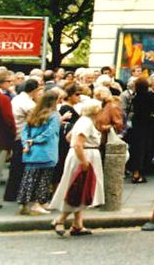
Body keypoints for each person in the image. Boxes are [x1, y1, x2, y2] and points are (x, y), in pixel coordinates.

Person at [49, 98, 105, 236]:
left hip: (82, 154)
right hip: (85, 155)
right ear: (95, 111)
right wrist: (84, 161)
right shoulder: (86, 123)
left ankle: (77, 224)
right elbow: (77, 144)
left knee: (82, 190)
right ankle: (60, 220)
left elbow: (69, 137)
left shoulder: (83, 121)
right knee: (78, 189)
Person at [18, 89, 61, 216]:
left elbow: (24, 132)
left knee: (29, 179)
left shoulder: (33, 114)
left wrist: (27, 143)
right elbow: (49, 133)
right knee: (43, 179)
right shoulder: (54, 116)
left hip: (31, 153)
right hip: (47, 151)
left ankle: (25, 205)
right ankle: (37, 203)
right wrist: (36, 140)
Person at [5, 76, 42, 202]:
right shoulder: (29, 103)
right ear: (34, 90)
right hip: (22, 136)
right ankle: (16, 193)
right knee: (20, 167)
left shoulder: (16, 98)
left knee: (15, 166)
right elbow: (37, 119)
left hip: (16, 135)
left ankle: (10, 193)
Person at [0, 70, 16, 210]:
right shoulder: (2, 99)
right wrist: (12, 138)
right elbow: (9, 121)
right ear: (1, 83)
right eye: (9, 81)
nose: (11, 84)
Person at [127, 77, 154, 183]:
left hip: (137, 124)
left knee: (136, 149)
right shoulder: (151, 96)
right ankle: (140, 173)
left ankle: (135, 172)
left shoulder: (135, 97)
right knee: (145, 149)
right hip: (147, 124)